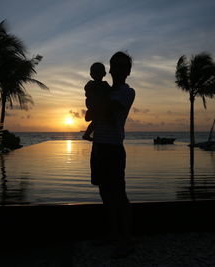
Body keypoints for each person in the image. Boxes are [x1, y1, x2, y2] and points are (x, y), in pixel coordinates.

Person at [89, 51, 135, 258]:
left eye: (122, 66)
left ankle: (126, 241)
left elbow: (106, 112)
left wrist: (94, 107)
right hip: (98, 146)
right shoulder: (105, 90)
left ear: (128, 71)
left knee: (118, 196)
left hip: (113, 148)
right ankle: (113, 235)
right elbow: (91, 114)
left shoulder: (126, 92)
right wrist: (94, 109)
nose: (117, 69)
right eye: (114, 65)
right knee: (105, 195)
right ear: (110, 68)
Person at [82, 62, 111, 141]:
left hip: (98, 107)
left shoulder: (104, 84)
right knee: (95, 121)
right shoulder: (91, 84)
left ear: (104, 74)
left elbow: (111, 91)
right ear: (91, 74)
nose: (97, 74)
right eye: (95, 72)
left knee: (95, 121)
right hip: (94, 106)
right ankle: (86, 134)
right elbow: (87, 90)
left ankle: (86, 134)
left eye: (99, 72)